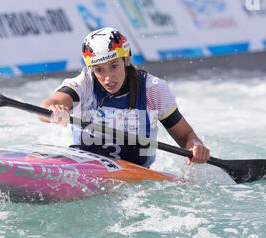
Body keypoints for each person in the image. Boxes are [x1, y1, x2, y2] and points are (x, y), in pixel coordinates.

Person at [39, 27, 209, 168]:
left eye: (114, 66)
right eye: (99, 69)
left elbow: (186, 135)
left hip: (136, 172)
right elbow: (48, 105)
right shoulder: (85, 83)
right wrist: (53, 110)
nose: (108, 78)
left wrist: (196, 147)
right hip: (88, 168)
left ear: (126, 59)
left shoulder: (153, 90)